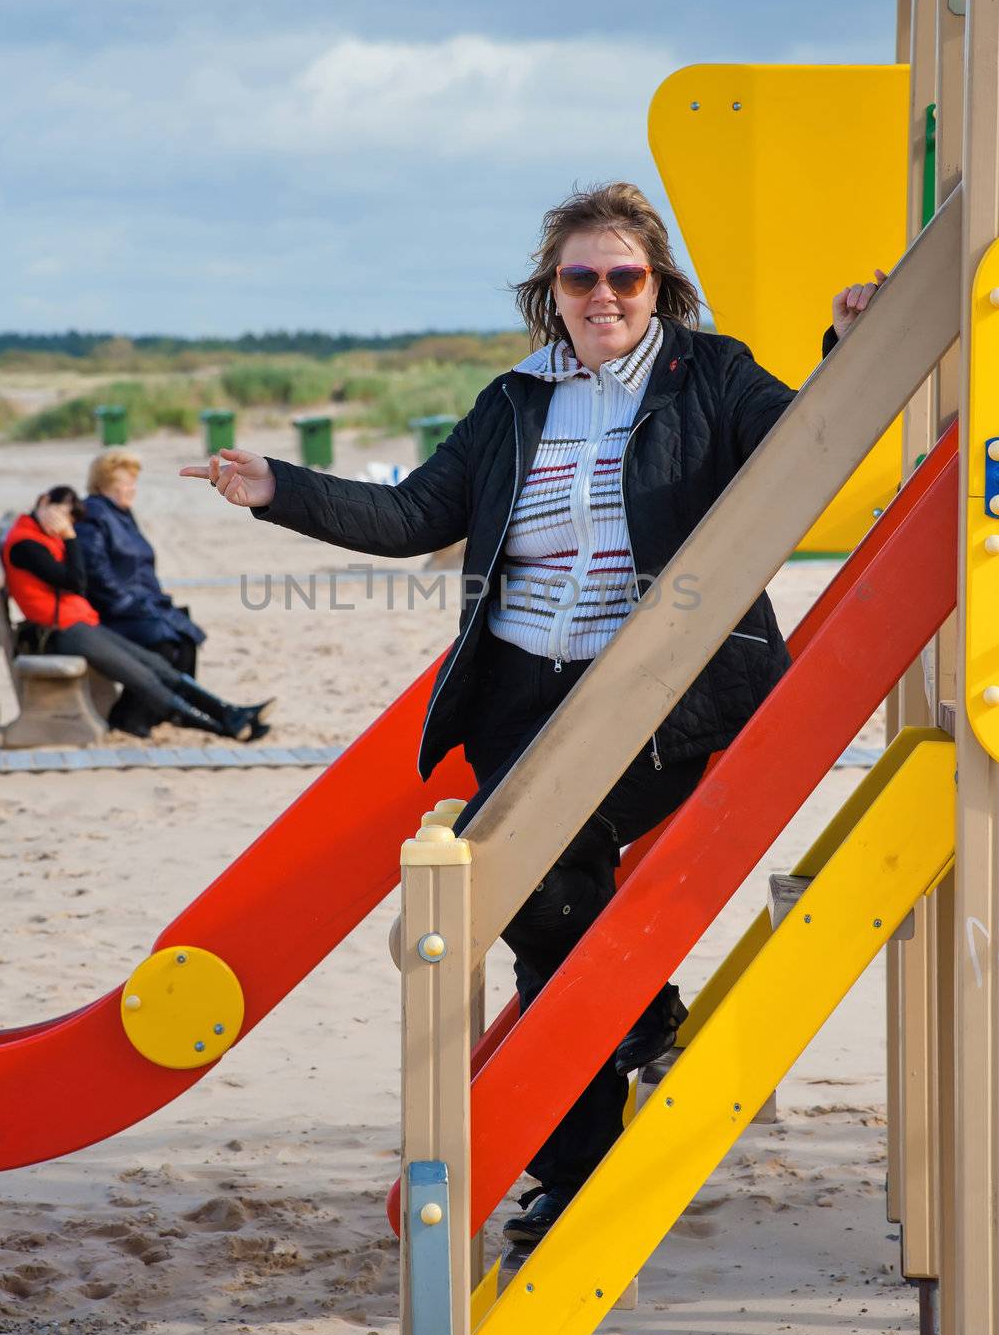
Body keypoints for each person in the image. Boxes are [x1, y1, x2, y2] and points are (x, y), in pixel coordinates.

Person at [180, 181, 884, 1248]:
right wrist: (279, 487)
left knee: (539, 880)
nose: (602, 294)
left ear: (659, 288)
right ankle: (598, 1115)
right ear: (550, 291)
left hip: (662, 692)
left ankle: (608, 1085)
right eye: (580, 276)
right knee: (540, 913)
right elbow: (417, 512)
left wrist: (847, 348)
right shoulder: (514, 401)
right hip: (519, 693)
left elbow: (804, 456)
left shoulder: (715, 376)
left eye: (624, 276)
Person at [3, 485, 271, 742]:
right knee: (142, 677)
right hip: (58, 632)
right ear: (43, 502)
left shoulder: (40, 537)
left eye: (69, 517)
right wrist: (70, 537)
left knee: (156, 666)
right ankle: (222, 729)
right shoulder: (25, 545)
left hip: (78, 623)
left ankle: (230, 713)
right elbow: (76, 581)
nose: (63, 521)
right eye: (59, 512)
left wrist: (65, 536)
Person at [76, 449, 207, 735]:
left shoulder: (121, 513)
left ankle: (162, 714)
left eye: (133, 482)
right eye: (124, 483)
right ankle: (131, 718)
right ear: (102, 485)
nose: (131, 489)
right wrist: (128, 604)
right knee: (164, 642)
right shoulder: (93, 514)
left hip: (136, 604)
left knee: (185, 638)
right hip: (113, 610)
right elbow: (96, 570)